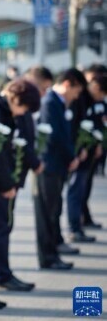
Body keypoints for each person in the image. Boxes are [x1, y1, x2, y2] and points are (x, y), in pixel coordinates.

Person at [0, 80, 41, 293]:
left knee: (4, 227)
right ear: (15, 99)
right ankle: (2, 275)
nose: (21, 113)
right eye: (22, 108)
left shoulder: (6, 110)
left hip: (5, 182)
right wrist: (7, 184)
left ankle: (4, 273)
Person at [33, 68, 87, 270]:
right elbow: (53, 136)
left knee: (53, 211)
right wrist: (71, 156)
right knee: (46, 214)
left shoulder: (58, 102)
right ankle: (47, 257)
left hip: (57, 165)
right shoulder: (50, 102)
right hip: (49, 165)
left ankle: (53, 252)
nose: (76, 96)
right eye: (76, 90)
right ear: (68, 83)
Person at [66, 73, 107, 241]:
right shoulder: (79, 100)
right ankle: (74, 228)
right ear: (96, 87)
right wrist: (79, 149)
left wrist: (97, 144)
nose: (102, 98)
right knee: (76, 191)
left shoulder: (90, 100)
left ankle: (80, 224)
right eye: (102, 94)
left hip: (88, 152)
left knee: (82, 189)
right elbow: (74, 127)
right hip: (79, 153)